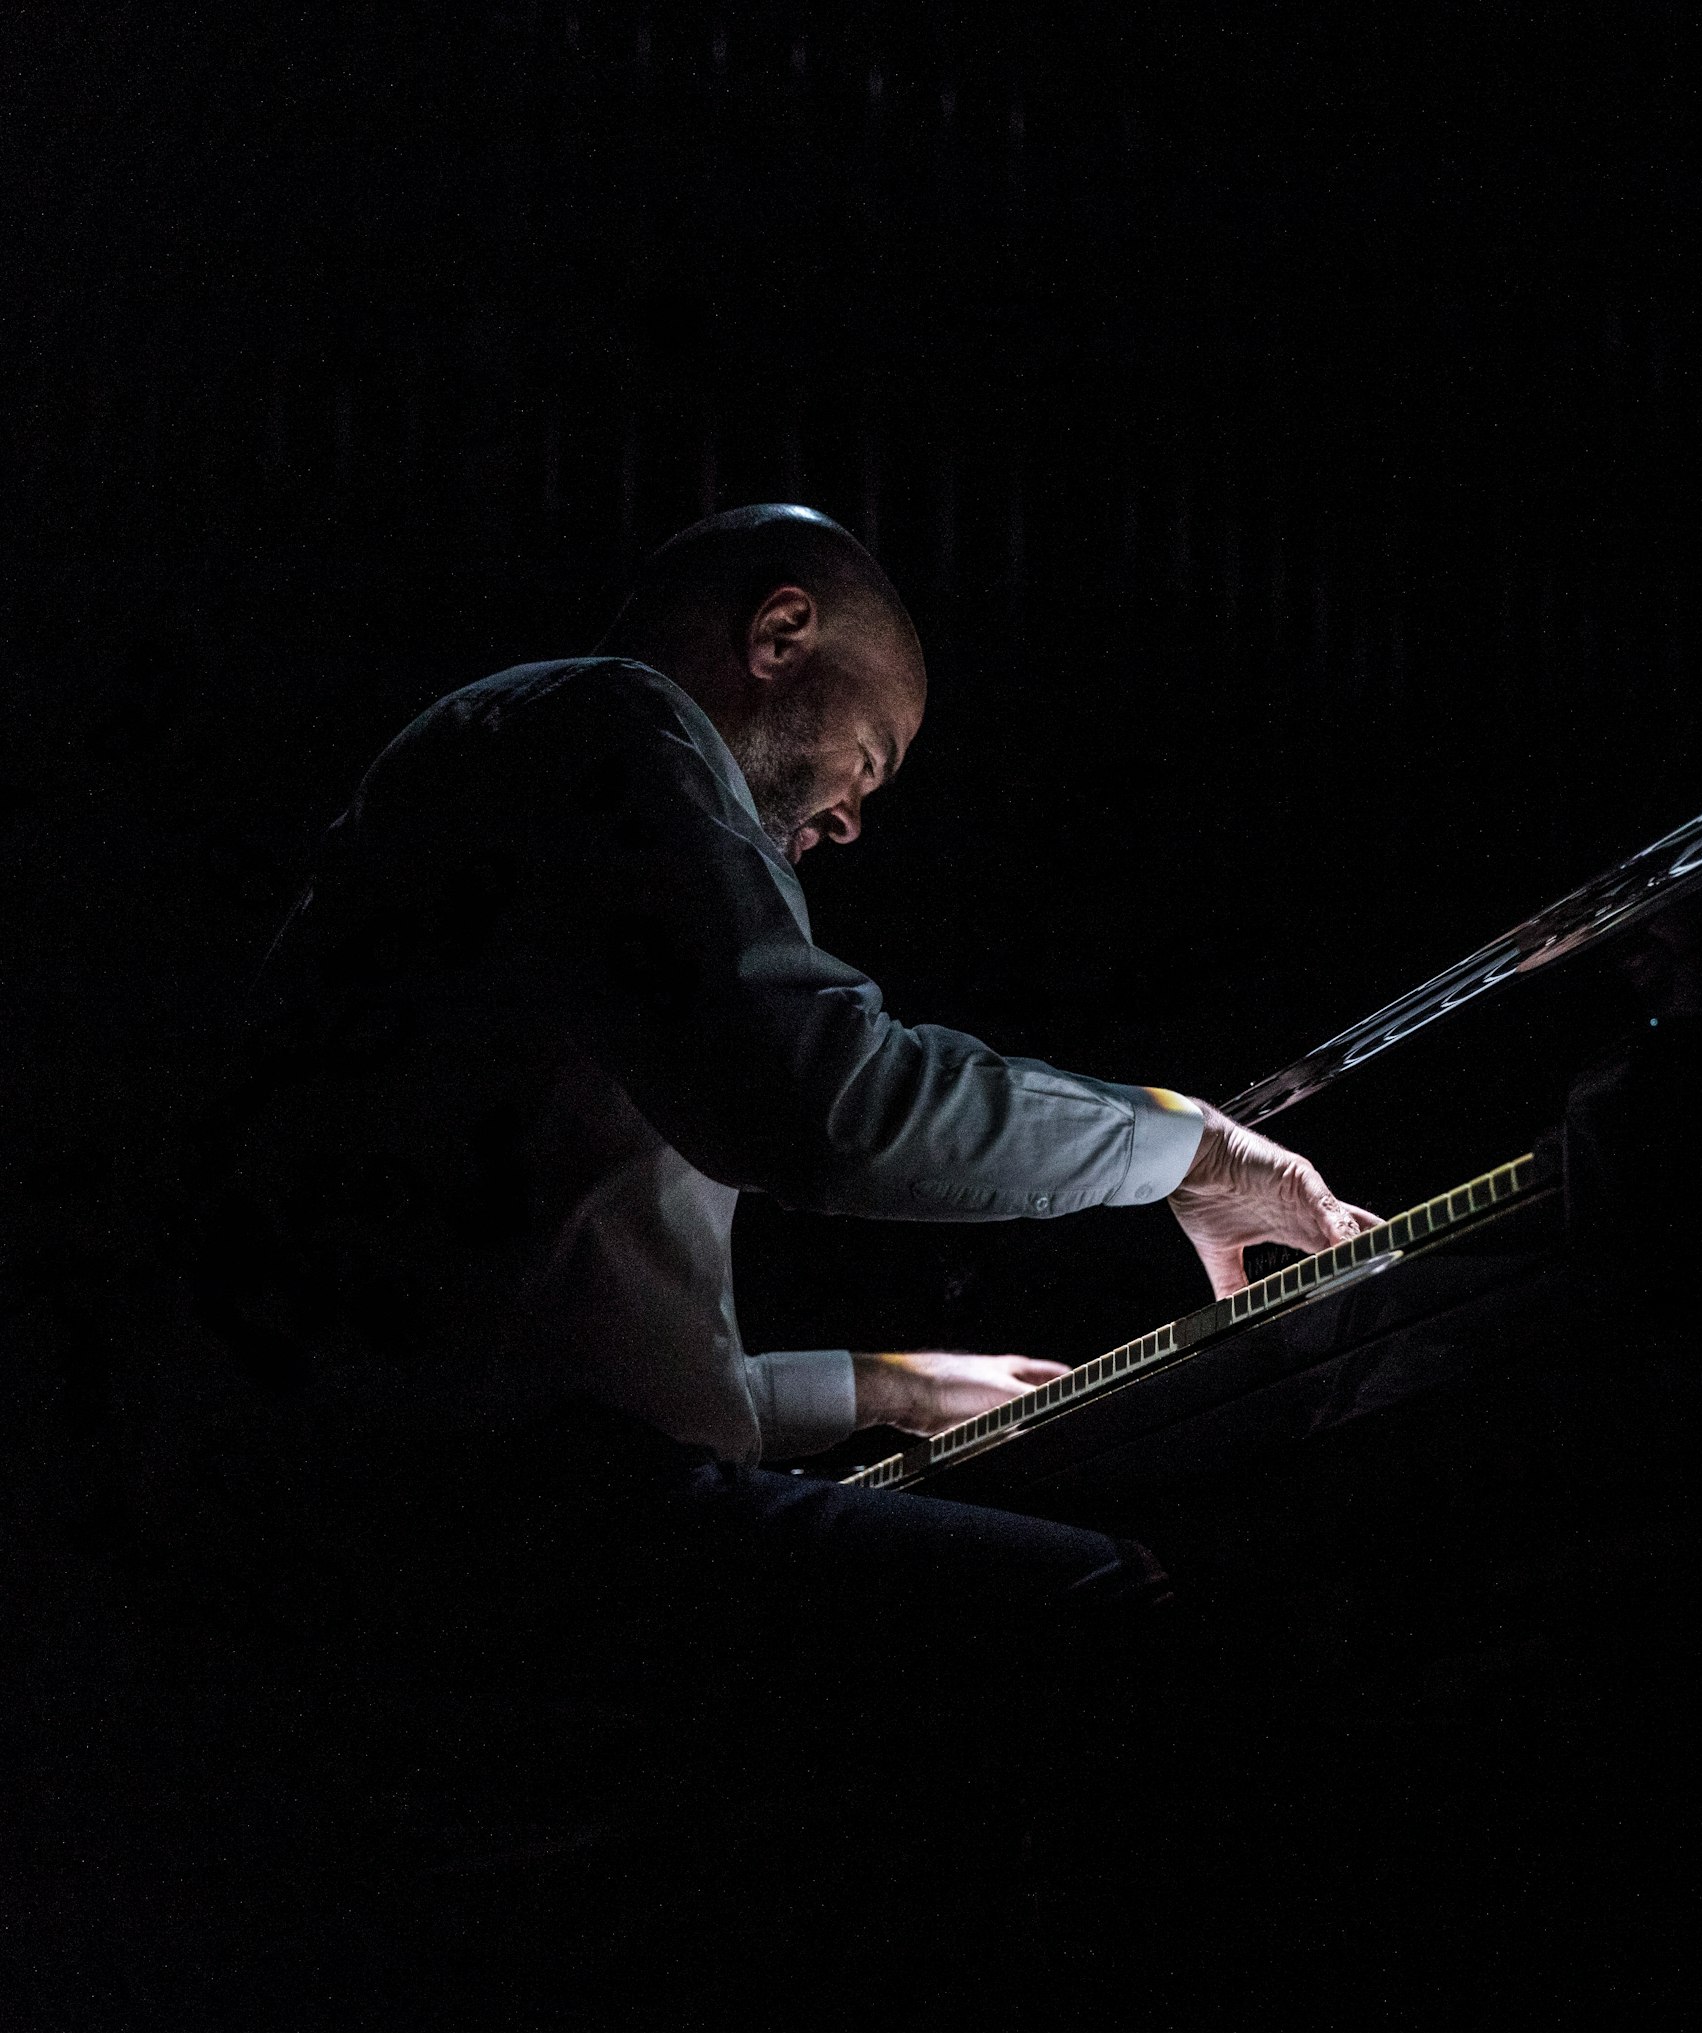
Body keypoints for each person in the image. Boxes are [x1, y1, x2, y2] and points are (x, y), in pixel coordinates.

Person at [170, 503, 1378, 1660]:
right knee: (1111, 1599)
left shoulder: (526, 781)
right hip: (474, 1528)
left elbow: (551, 1325)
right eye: (872, 755)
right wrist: (1194, 1146)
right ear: (781, 633)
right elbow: (829, 1106)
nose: (853, 817)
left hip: (447, 1492)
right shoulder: (610, 726)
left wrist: (882, 1385)